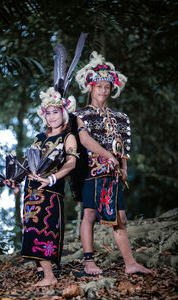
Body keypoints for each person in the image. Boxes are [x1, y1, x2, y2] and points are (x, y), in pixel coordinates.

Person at [74, 51, 151, 275]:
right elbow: (85, 139)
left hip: (113, 174)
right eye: (99, 86)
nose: (103, 90)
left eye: (107, 86)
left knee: (121, 217)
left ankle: (130, 264)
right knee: (89, 214)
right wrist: (107, 156)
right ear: (90, 87)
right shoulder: (81, 114)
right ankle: (89, 262)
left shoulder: (120, 117)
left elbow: (123, 145)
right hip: (91, 172)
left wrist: (123, 166)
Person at [10, 87, 78, 287]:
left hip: (50, 191)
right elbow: (28, 162)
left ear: (63, 113)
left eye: (55, 112)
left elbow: (71, 163)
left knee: (44, 231)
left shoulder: (68, 137)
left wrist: (52, 179)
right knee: (31, 230)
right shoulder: (39, 138)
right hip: (30, 191)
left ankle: (50, 276)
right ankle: (42, 274)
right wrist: (14, 180)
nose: (51, 116)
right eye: (48, 112)